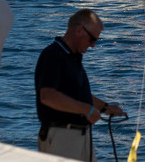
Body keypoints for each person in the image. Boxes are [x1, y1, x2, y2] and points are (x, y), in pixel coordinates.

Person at [34, 9, 126, 159]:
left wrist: (105, 108)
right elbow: (48, 96)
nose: (93, 46)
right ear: (78, 31)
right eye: (92, 40)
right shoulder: (53, 55)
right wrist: (87, 110)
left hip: (81, 136)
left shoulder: (73, 58)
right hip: (61, 137)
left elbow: (75, 94)